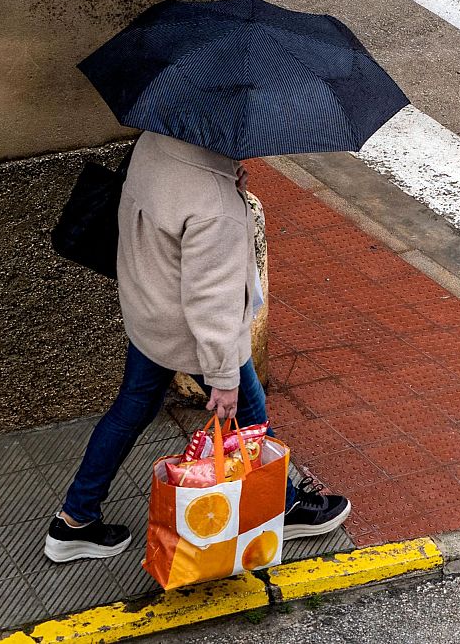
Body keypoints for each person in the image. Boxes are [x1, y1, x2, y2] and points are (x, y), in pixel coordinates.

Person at [44, 130, 350, 562]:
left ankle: (74, 520)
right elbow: (212, 302)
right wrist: (223, 377)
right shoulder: (214, 208)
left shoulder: (154, 143)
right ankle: (284, 507)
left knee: (130, 410)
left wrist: (230, 183)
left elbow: (171, 209)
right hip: (192, 334)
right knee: (250, 415)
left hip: (149, 316)